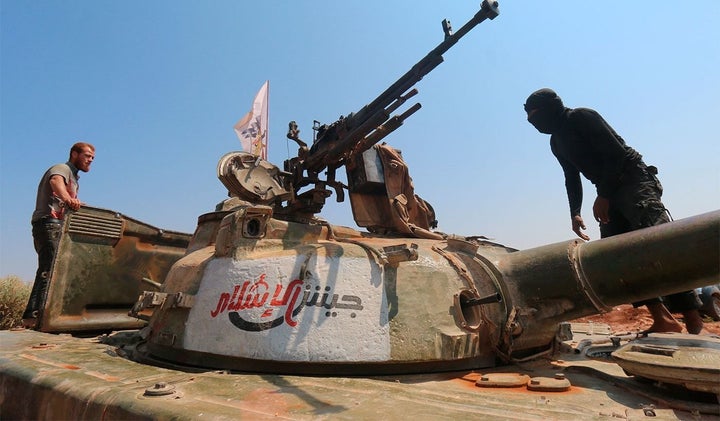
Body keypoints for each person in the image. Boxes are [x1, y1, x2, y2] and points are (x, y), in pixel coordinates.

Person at [523, 88, 704, 334]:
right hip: (606, 191)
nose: (532, 122)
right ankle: (663, 319)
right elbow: (571, 177)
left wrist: (604, 196)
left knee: (661, 240)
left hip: (633, 180)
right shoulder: (556, 142)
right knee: (617, 256)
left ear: (550, 108)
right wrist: (575, 212)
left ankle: (692, 317)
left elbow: (616, 155)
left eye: (534, 115)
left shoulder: (581, 117)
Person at [22, 142, 95, 329]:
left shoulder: (74, 178)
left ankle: (50, 317)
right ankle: (33, 318)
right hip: (48, 224)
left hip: (56, 226)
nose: (90, 160)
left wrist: (75, 204)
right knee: (49, 269)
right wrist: (69, 199)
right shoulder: (62, 168)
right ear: (74, 154)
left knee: (59, 270)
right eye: (87, 156)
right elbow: (55, 182)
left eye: (92, 158)